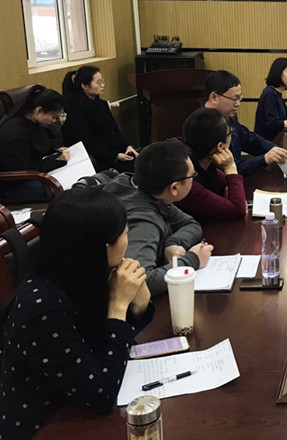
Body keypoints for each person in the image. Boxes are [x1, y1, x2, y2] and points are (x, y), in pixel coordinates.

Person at [0, 187, 153, 439]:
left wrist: (138, 305)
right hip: (49, 426)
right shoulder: (42, 309)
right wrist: (118, 307)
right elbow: (101, 395)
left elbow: (114, 342)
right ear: (104, 247)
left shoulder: (80, 273)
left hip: (77, 408)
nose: (128, 241)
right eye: (126, 233)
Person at [78, 139, 212, 296]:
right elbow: (141, 283)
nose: (193, 179)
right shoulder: (143, 222)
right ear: (174, 188)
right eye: (192, 175)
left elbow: (191, 224)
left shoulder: (138, 187)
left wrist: (171, 243)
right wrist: (191, 260)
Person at [203, 70, 287, 176]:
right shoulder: (204, 126)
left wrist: (275, 150)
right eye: (234, 99)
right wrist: (265, 159)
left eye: (239, 98)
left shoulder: (227, 118)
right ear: (214, 97)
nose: (238, 104)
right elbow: (228, 169)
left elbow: (252, 140)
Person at [61, 65, 138, 172]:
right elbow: (87, 143)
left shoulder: (102, 104)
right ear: (85, 86)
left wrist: (127, 146)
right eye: (98, 82)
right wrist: (115, 156)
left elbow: (114, 131)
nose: (103, 85)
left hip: (115, 151)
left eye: (102, 81)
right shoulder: (77, 110)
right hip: (100, 157)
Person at [177, 107, 247, 223]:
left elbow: (229, 188)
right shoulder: (186, 178)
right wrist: (230, 167)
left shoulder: (203, 160)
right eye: (230, 133)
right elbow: (238, 209)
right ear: (220, 146)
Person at [0, 85, 69, 202]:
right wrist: (56, 160)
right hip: (15, 184)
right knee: (58, 188)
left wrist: (57, 149)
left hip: (32, 175)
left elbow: (40, 146)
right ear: (39, 110)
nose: (54, 120)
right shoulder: (16, 132)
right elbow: (23, 169)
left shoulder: (35, 123)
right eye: (53, 116)